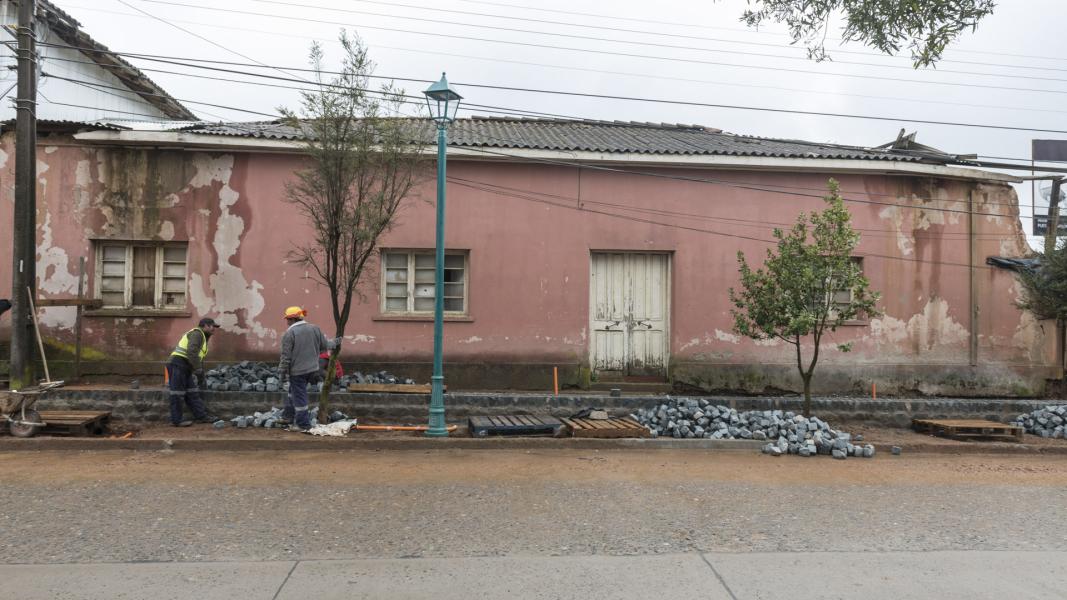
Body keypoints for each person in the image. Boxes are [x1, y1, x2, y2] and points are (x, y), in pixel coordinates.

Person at [278, 306, 338, 432]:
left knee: (299, 395)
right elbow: (325, 345)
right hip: (313, 369)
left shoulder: (289, 334)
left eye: (287, 319)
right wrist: (336, 342)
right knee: (292, 391)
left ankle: (302, 424)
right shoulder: (314, 328)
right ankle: (288, 416)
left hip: (297, 371)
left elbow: (285, 358)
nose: (286, 321)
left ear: (292, 319)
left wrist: (282, 374)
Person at [167, 318, 220, 427]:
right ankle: (176, 420)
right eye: (212, 326)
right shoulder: (197, 334)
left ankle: (201, 416)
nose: (214, 329)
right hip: (178, 364)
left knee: (192, 393)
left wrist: (200, 372)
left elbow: (197, 357)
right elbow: (192, 351)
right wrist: (198, 370)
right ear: (205, 325)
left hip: (185, 366)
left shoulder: (202, 337)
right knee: (177, 393)